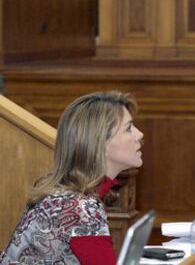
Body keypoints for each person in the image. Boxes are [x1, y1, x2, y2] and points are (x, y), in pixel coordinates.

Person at [0, 91, 144, 264]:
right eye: (128, 128)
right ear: (100, 143)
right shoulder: (79, 209)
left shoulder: (66, 196)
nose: (139, 134)